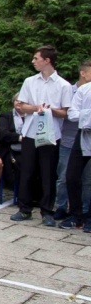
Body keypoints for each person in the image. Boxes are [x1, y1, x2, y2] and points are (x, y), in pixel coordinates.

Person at [10, 45, 72, 225]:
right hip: (30, 132)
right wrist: (37, 108)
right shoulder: (30, 82)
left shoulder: (63, 85)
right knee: (27, 171)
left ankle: (47, 211)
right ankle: (24, 209)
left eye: (36, 58)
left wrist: (50, 110)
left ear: (47, 60)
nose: (33, 61)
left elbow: (66, 112)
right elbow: (21, 106)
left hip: (51, 135)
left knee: (48, 173)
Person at [55, 62, 90, 223]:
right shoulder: (78, 90)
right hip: (76, 138)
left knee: (88, 179)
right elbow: (71, 114)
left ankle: (87, 213)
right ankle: (69, 210)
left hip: (84, 136)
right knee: (68, 176)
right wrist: (87, 116)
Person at [0, 93, 23, 192]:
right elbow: (2, 133)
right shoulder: (6, 116)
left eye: (22, 101)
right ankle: (20, 192)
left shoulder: (32, 116)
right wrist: (19, 138)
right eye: (17, 100)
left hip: (28, 149)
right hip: (10, 150)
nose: (19, 102)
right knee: (20, 162)